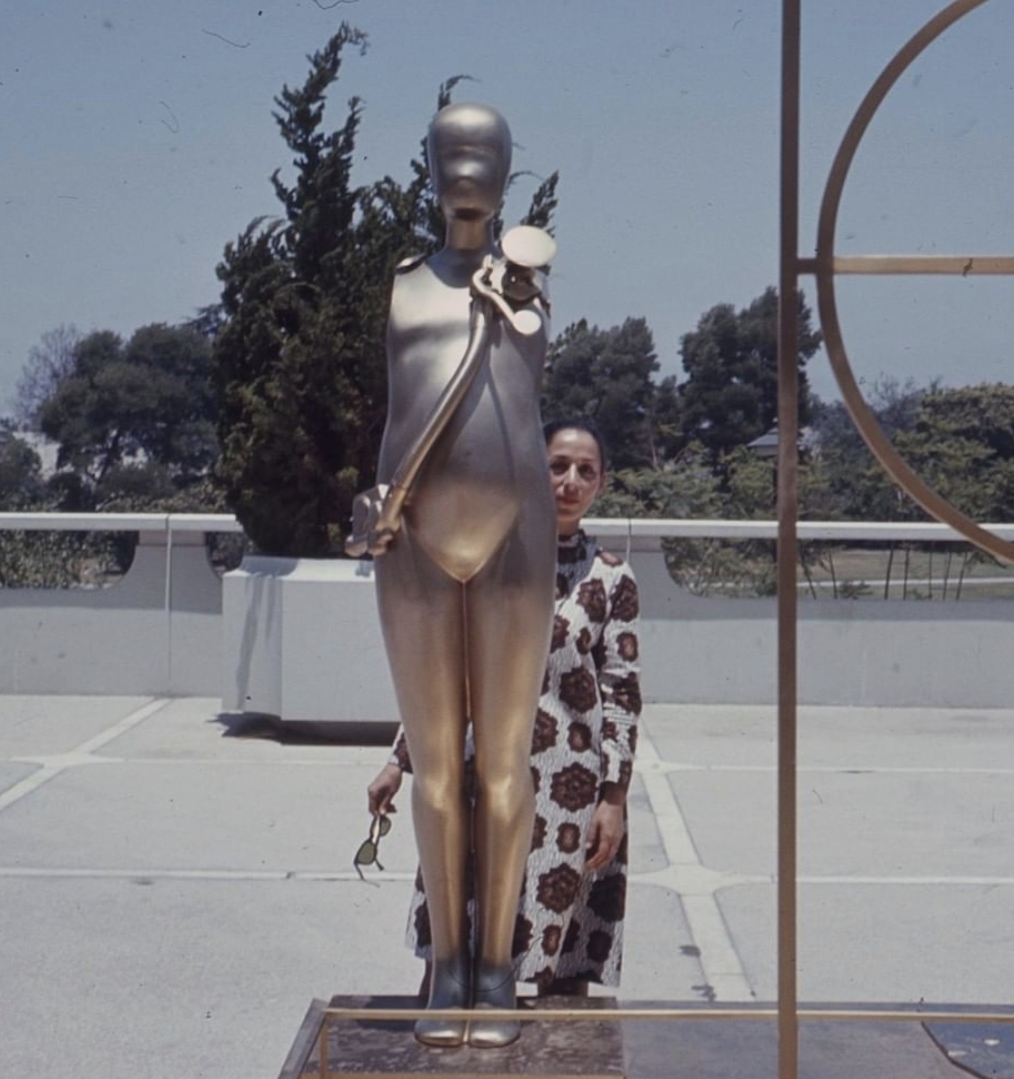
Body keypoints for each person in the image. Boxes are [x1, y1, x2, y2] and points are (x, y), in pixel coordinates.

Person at [362, 102, 558, 1048]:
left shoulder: (526, 286)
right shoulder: (402, 285)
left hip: (518, 540)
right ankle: (447, 960)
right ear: (431, 165)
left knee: (507, 764)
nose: (467, 167)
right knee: (439, 767)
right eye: (453, 151)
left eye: (484, 152)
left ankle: (497, 965)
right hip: (413, 542)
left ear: (507, 169)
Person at [369, 418, 642, 1000]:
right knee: (458, 939)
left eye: (585, 471)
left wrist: (613, 799)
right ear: (532, 471)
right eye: (557, 466)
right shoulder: (489, 561)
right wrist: (401, 759)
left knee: (557, 957)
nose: (570, 481)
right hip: (479, 773)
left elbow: (622, 691)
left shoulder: (612, 577)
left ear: (601, 483)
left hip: (567, 791)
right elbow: (444, 671)